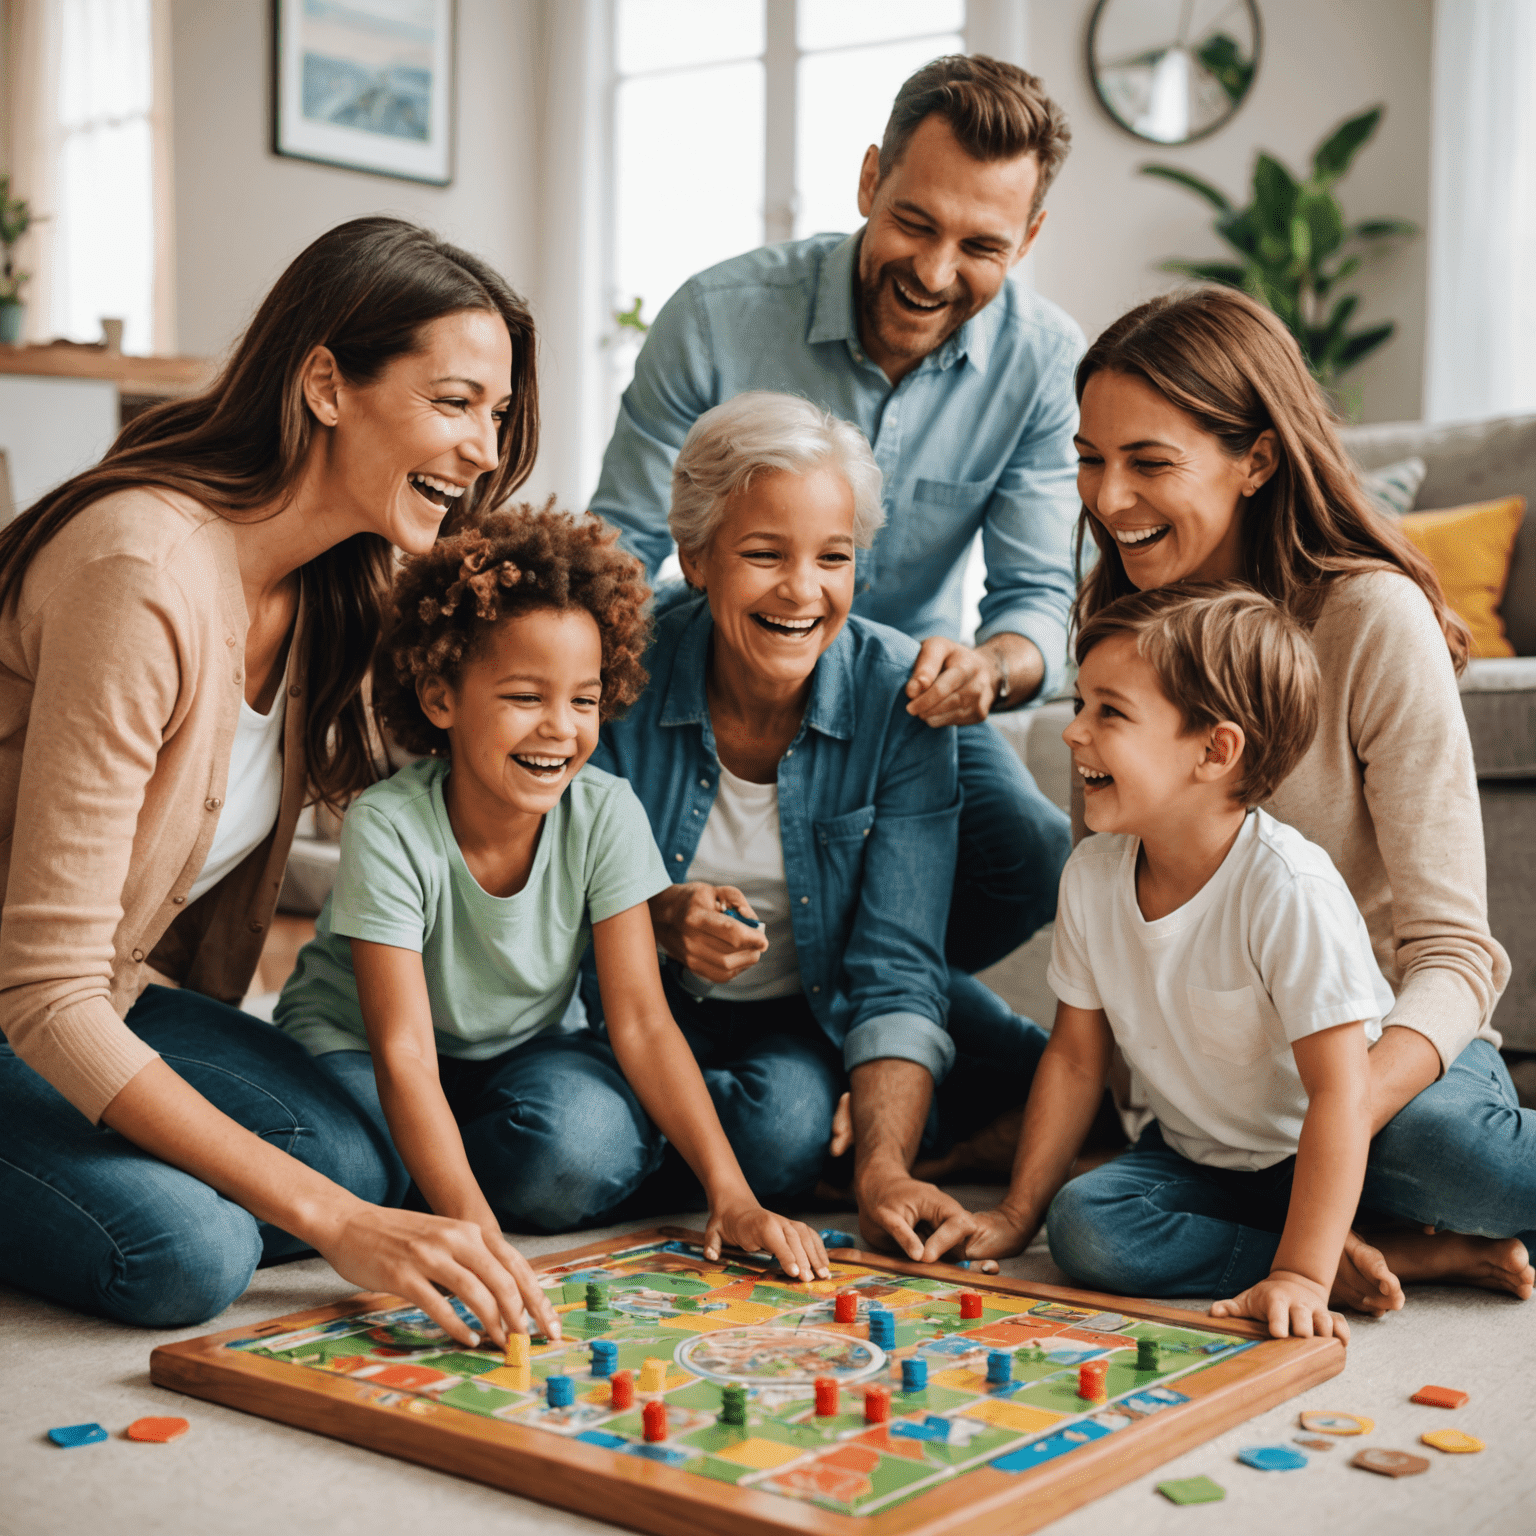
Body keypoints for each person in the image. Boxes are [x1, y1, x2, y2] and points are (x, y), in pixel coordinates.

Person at [0, 216, 570, 1346]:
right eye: (454, 402)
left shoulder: (331, 588)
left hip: (100, 996)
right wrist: (338, 1224)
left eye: (496, 415)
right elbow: (43, 988)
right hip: (32, 998)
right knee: (190, 1249)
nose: (484, 451)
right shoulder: (142, 573)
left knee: (352, 1153)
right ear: (324, 384)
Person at [592, 54, 1081, 1246]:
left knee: (1027, 847)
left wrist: (991, 669)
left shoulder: (1040, 361)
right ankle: (834, 1009)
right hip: (711, 658)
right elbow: (614, 547)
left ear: (1030, 234)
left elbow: (1035, 601)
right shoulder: (719, 312)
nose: (934, 268)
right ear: (868, 179)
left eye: (981, 246)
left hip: (900, 702)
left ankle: (837, 1002)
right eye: (914, 221)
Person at [995, 285, 1532, 1305]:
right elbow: (1113, 898)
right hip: (1223, 1106)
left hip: (1379, 1071)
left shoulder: (1370, 619)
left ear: (1257, 458)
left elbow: (1458, 956)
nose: (1108, 499)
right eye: (1090, 459)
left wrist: (1334, 1120)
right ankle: (1363, 1248)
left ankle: (1357, 1210)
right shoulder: (1120, 632)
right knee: (1096, 1225)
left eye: (1149, 462)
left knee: (1437, 1147)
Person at [272, 506, 829, 1284]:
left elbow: (640, 1020)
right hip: (363, 1050)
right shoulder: (390, 824)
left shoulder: (604, 812)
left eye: (585, 700)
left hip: (519, 1052)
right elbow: (403, 1053)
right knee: (354, 1168)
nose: (559, 730)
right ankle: (434, 1179)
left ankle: (441, 1166)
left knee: (585, 1146)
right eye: (525, 697)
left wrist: (730, 1194)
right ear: (440, 700)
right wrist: (477, 1238)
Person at [588, 393, 1048, 1257]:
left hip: (797, 1017)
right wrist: (650, 917)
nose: (803, 591)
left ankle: (695, 1148)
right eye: (764, 554)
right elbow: (523, 888)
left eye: (833, 557)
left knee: (790, 1133)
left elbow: (898, 967)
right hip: (619, 1012)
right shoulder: (616, 672)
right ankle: (632, 1138)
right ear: (694, 557)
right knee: (564, 1151)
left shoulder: (901, 699)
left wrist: (882, 1170)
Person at [967, 586, 1390, 1338]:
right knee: (1088, 1228)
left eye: (1110, 712)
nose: (1074, 735)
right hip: (1205, 1159)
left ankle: (1318, 1253)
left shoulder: (1287, 888)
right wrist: (1015, 1212)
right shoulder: (1093, 876)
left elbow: (1342, 1096)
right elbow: (1073, 1058)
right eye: (1077, 706)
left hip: (1345, 1138)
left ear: (1214, 750)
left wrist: (1298, 1280)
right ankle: (1372, 1256)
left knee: (1474, 1169)